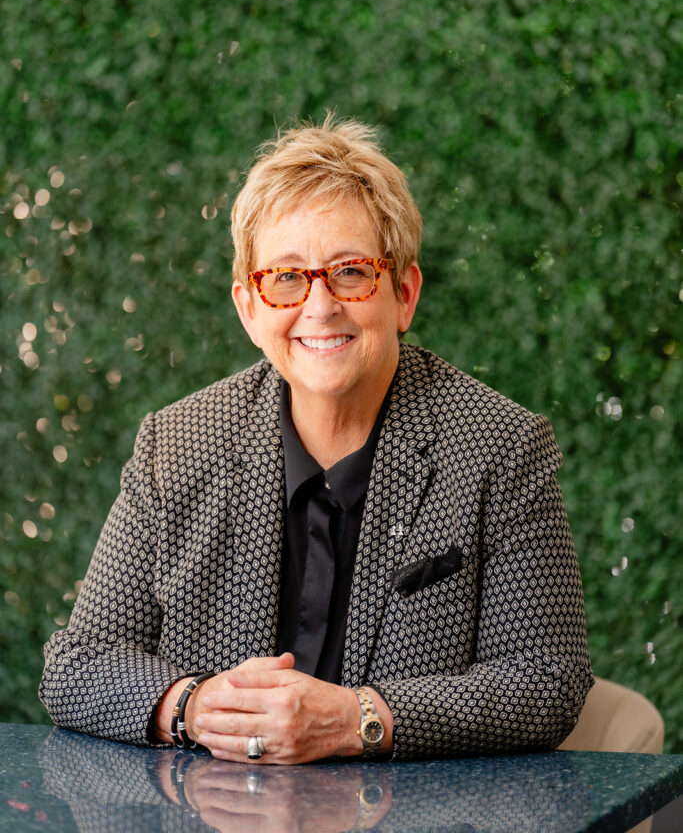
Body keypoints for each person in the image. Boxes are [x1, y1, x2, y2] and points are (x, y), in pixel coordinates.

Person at [40, 115, 593, 763]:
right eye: (286, 278)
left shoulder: (499, 449)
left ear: (403, 294)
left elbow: (546, 678)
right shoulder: (177, 445)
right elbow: (76, 666)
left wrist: (358, 717)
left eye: (350, 272)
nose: (320, 305)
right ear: (250, 309)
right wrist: (192, 706)